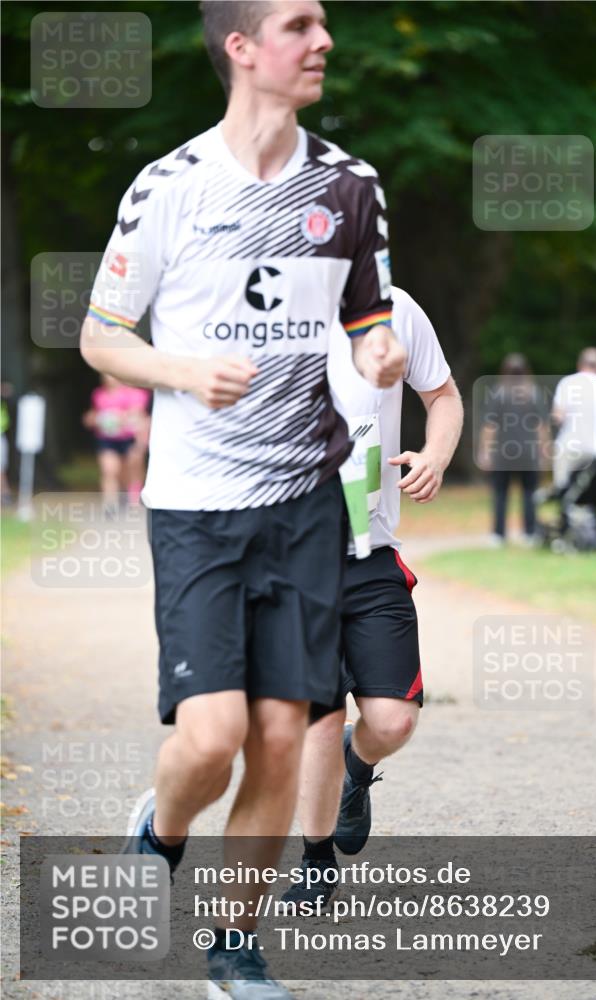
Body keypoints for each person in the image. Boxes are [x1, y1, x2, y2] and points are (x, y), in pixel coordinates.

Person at [79, 2, 406, 997]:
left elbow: (367, 317)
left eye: (322, 25)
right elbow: (102, 335)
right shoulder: (167, 186)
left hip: (305, 502)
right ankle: (161, 825)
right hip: (195, 505)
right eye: (299, 25)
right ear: (241, 48)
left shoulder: (348, 185)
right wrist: (179, 369)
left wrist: (375, 347)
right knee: (212, 738)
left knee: (276, 734)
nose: (323, 43)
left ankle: (234, 945)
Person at [281, 286, 462, 911]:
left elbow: (442, 396)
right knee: (319, 716)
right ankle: (315, 859)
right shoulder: (252, 304)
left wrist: (435, 457)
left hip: (372, 552)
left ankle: (355, 773)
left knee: (391, 721)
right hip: (293, 559)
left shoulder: (394, 306)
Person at [477, 353, 549, 544]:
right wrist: (544, 451)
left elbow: (490, 426)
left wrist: (485, 451)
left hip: (503, 453)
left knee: (500, 493)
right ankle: (530, 533)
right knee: (529, 492)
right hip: (528, 452)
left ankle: (499, 535)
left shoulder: (498, 392)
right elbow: (542, 426)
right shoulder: (534, 393)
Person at [551, 347, 596, 490]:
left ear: (580, 364)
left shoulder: (567, 383)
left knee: (564, 491)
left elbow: (558, 416)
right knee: (591, 492)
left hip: (569, 446)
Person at [82, 374, 151, 508]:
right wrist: (94, 419)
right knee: (109, 470)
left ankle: (132, 498)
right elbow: (94, 414)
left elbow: (138, 415)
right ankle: (110, 503)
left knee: (130, 471)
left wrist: (118, 418)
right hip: (106, 439)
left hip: (129, 438)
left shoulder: (134, 394)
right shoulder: (98, 394)